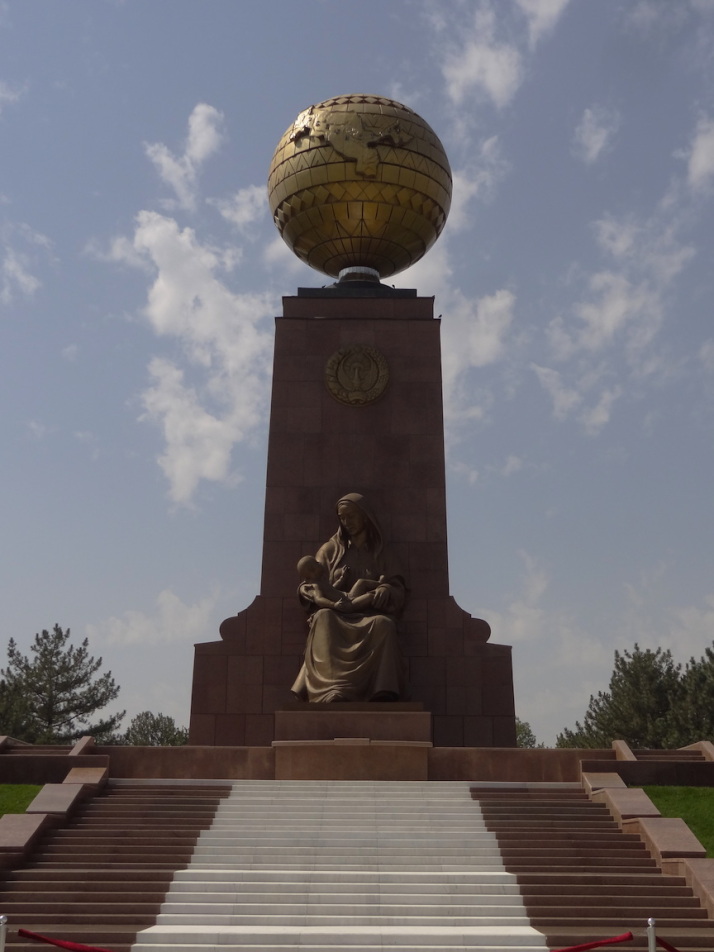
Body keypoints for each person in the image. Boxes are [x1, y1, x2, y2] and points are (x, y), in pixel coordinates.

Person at [291, 493, 407, 703]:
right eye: (342, 518)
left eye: (351, 516)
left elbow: (397, 586)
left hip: (368, 613)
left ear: (365, 517)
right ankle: (332, 690)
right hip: (337, 611)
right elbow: (309, 582)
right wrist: (310, 592)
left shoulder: (382, 552)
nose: (347, 522)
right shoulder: (329, 551)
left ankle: (381, 691)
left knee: (384, 624)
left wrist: (386, 590)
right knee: (323, 617)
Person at [296, 555, 384, 613]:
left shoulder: (321, 582)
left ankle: (379, 583)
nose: (319, 563)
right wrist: (334, 605)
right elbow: (319, 599)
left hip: (348, 596)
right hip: (348, 604)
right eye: (316, 563)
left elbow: (333, 589)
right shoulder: (315, 586)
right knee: (370, 596)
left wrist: (342, 578)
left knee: (361, 582)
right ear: (312, 571)